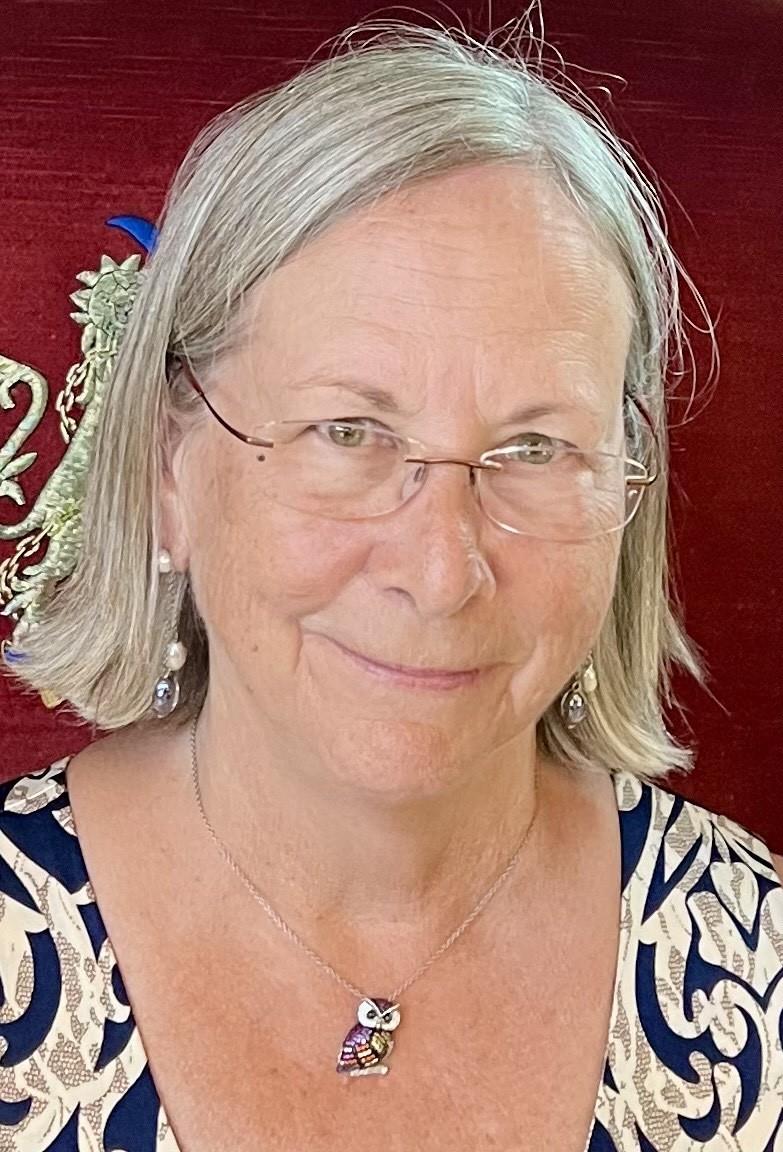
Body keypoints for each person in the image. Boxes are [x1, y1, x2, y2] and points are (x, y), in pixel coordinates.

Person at [1, 16, 781, 1152]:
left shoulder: (760, 962)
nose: (440, 570)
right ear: (171, 467)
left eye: (533, 448)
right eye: (349, 433)